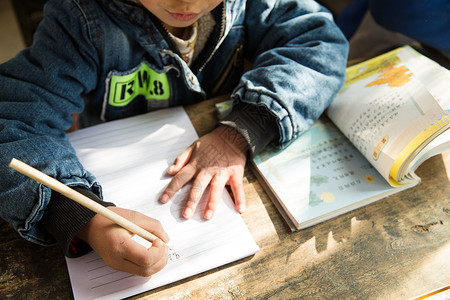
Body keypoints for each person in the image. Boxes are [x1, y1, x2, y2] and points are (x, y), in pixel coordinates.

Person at [0, 0, 348, 276]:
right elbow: (13, 117)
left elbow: (318, 42)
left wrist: (243, 130)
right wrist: (79, 215)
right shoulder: (78, 18)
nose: (187, 2)